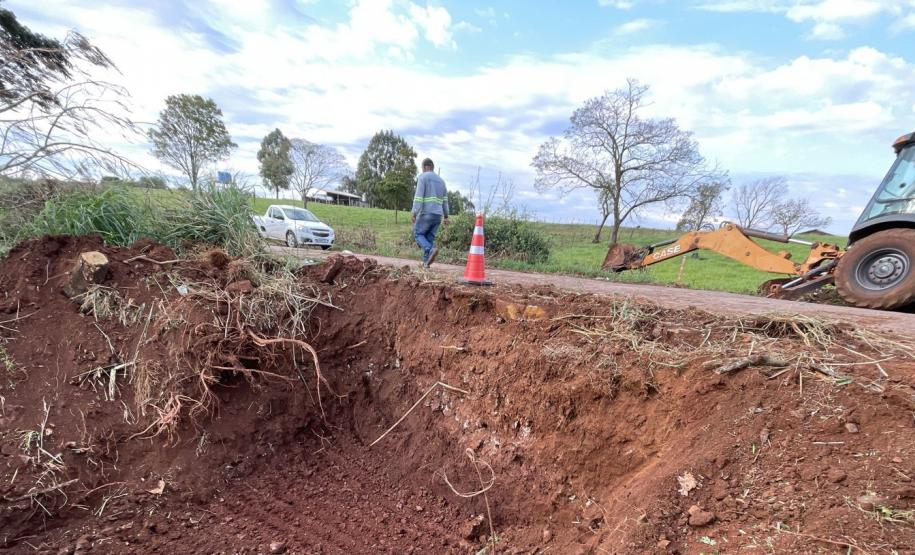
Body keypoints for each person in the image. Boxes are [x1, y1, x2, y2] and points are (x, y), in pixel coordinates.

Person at [411, 158, 449, 267]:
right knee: (429, 238)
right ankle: (425, 263)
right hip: (438, 216)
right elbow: (445, 201)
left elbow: (418, 197)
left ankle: (430, 249)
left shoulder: (423, 177)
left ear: (425, 167)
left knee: (418, 234)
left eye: (422, 168)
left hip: (426, 213)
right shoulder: (442, 182)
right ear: (432, 167)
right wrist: (446, 216)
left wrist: (414, 212)